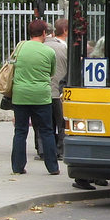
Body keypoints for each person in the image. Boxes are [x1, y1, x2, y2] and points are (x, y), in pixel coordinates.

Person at [11, 19, 59, 176]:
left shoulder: (20, 47)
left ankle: (17, 167)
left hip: (20, 95)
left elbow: (12, 65)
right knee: (46, 131)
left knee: (20, 131)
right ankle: (52, 167)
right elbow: (52, 72)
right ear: (44, 33)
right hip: (41, 96)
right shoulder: (49, 52)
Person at [36, 18, 68, 160]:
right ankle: (61, 150)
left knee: (43, 124)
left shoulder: (37, 49)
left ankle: (43, 151)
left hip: (42, 92)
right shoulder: (63, 48)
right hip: (59, 92)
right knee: (61, 123)